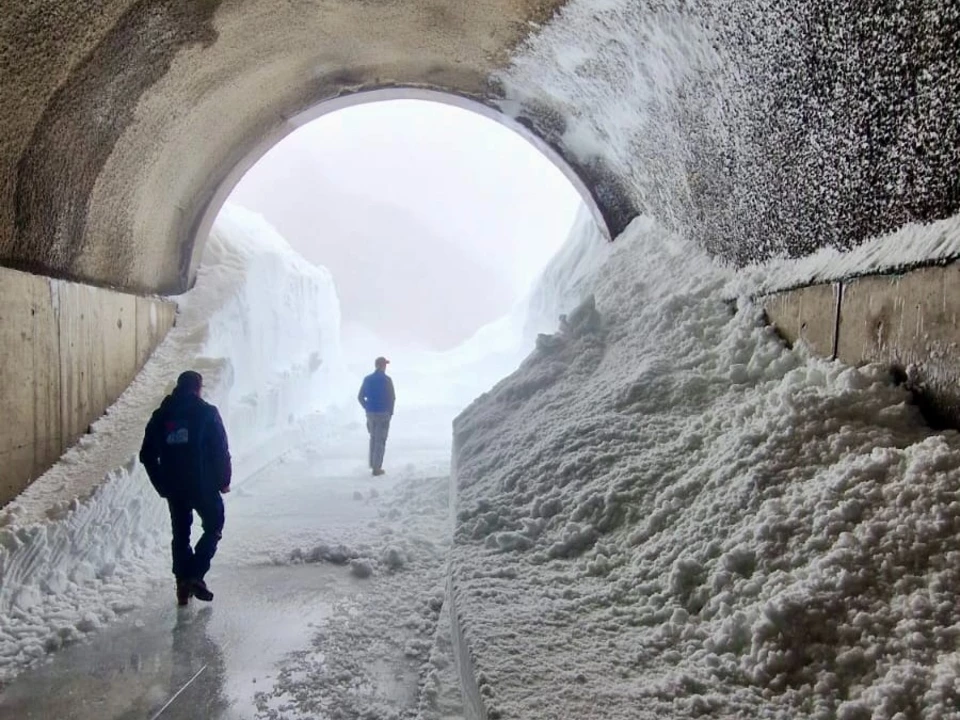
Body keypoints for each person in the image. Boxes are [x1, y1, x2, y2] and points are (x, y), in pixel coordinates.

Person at [140, 371, 231, 606]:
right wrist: (223, 480)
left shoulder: (161, 415)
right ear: (198, 388)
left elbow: (146, 454)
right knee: (214, 524)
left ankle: (182, 584)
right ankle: (196, 574)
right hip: (203, 484)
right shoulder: (206, 412)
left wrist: (162, 484)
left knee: (181, 533)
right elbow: (220, 449)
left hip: (174, 486)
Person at [357, 356, 395, 476]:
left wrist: (367, 407)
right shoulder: (387, 380)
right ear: (383, 366)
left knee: (373, 438)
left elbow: (360, 397)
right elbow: (392, 397)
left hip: (371, 414)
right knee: (381, 440)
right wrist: (390, 412)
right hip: (383, 414)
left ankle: (373, 464)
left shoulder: (367, 379)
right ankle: (377, 468)